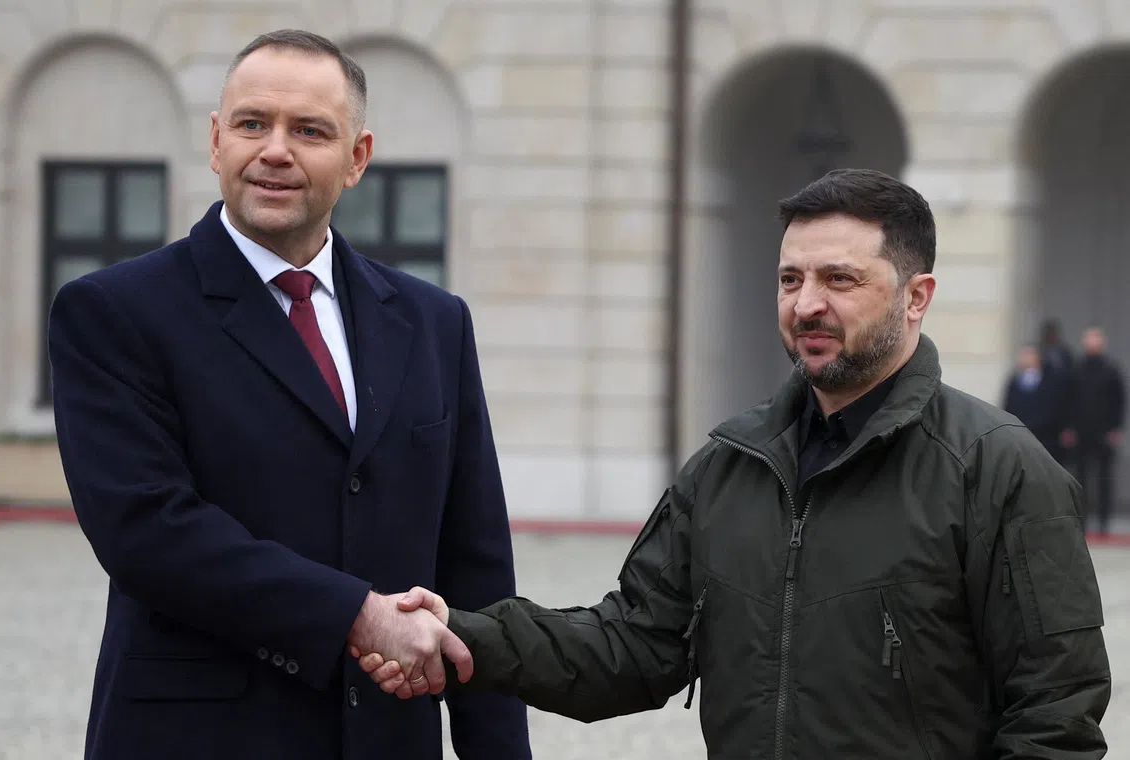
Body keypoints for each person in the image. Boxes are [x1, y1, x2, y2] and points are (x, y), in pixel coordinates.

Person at [358, 169, 1111, 758]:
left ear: (917, 297)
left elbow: (1056, 717)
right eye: (790, 279)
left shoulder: (998, 468)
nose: (806, 304)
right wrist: (463, 635)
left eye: (839, 280)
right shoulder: (728, 466)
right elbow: (630, 647)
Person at [48, 29, 528, 760]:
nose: (275, 150)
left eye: (309, 130)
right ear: (216, 142)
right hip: (199, 739)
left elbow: (475, 560)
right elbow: (147, 531)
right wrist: (359, 616)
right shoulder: (115, 312)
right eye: (252, 124)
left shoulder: (433, 322)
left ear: (357, 158)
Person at [1061, 326, 1126, 536]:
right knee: (1080, 479)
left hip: (1104, 432)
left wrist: (1116, 428)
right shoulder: (1076, 370)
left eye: (1096, 339)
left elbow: (1119, 402)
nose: (1092, 343)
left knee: (1104, 478)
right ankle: (1082, 519)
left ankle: (1104, 522)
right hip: (1080, 432)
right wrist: (1068, 427)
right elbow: (1068, 401)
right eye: (1089, 339)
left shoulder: (1111, 370)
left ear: (1103, 343)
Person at [1002, 343, 1065, 458]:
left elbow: (1055, 406)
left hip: (1045, 435)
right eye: (1023, 355)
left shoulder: (1051, 380)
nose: (1025, 358)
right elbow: (1009, 405)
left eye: (1029, 354)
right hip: (1020, 433)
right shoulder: (1014, 380)